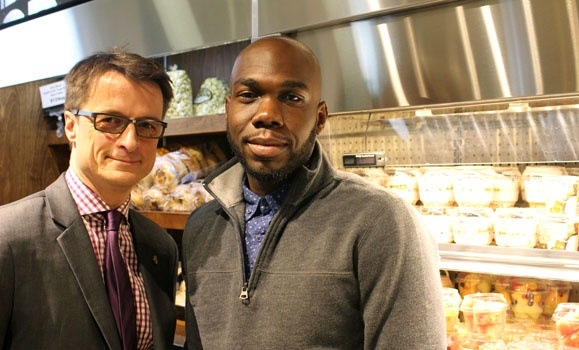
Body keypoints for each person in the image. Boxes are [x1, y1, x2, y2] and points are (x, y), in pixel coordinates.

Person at [182, 36, 445, 349]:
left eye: (291, 97)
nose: (267, 114)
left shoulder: (380, 222)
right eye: (249, 95)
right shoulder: (201, 228)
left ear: (320, 118)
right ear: (229, 109)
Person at [0, 49, 179, 350]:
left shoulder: (160, 246)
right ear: (71, 125)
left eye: (147, 125)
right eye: (110, 120)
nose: (130, 141)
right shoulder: (10, 237)